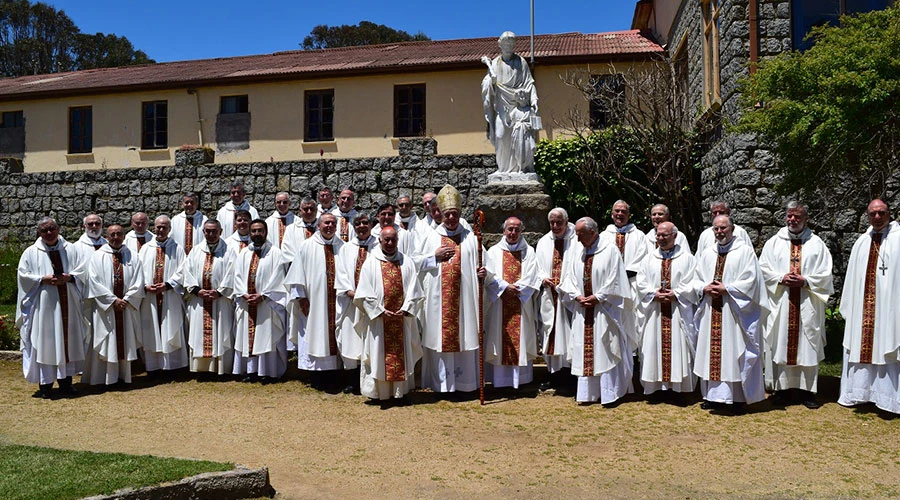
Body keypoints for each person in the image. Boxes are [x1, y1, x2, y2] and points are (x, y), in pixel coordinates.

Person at [759, 202, 834, 408]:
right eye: (789, 216)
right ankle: (781, 390)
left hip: (807, 301)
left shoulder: (817, 244)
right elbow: (762, 269)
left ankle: (807, 391)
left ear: (805, 219)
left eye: (797, 217)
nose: (792, 220)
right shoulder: (773, 243)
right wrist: (780, 277)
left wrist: (807, 281)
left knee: (807, 343)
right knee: (780, 341)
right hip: (781, 301)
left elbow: (826, 273)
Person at [693, 215, 766, 415]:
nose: (719, 232)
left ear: (732, 229)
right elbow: (696, 278)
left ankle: (736, 398)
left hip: (734, 312)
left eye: (723, 228)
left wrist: (728, 288)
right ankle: (712, 396)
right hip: (711, 310)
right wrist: (704, 288)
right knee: (711, 352)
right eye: (716, 229)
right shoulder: (707, 253)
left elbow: (751, 281)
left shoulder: (744, 252)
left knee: (732, 351)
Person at [558, 217, 633, 406]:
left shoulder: (610, 250)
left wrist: (598, 297)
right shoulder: (577, 251)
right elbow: (568, 278)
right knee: (584, 348)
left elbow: (616, 279)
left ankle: (610, 393)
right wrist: (576, 296)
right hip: (583, 310)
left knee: (606, 347)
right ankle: (587, 393)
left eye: (581, 235)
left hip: (604, 310)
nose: (577, 239)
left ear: (593, 233)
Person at [418, 184, 483, 394]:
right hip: (438, 302)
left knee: (465, 337)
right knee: (440, 338)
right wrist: (433, 257)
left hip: (464, 303)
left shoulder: (471, 238)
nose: (451, 218)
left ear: (460, 214)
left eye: (455, 214)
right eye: (447, 214)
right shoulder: (430, 237)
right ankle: (443, 386)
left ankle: (466, 385)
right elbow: (412, 263)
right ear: (440, 214)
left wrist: (484, 274)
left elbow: (485, 265)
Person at [838, 199, 900, 414]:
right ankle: (860, 393)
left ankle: (888, 399)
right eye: (873, 213)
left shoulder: (898, 240)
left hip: (889, 309)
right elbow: (852, 279)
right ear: (867, 215)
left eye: (881, 213)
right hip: (863, 308)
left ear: (889, 213)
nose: (877, 217)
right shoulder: (862, 242)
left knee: (887, 345)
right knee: (861, 344)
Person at [16, 217, 87, 398]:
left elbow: (83, 271)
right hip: (43, 308)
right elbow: (23, 276)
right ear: (39, 232)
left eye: (52, 229)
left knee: (68, 341)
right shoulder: (31, 252)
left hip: (69, 305)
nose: (49, 233)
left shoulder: (71, 249)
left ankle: (66, 384)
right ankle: (45, 385)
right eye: (44, 230)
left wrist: (70, 277)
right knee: (45, 342)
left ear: (58, 229)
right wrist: (41, 279)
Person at [354, 226, 425, 403]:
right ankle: (380, 393)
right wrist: (379, 311)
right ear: (379, 240)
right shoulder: (370, 263)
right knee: (378, 355)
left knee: (402, 354)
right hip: (379, 321)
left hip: (401, 320)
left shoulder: (406, 262)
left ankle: (400, 393)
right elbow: (364, 292)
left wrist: (407, 308)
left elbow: (414, 291)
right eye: (387, 240)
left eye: (394, 239)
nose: (390, 243)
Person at [635, 222, 699, 402]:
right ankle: (656, 388)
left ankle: (678, 389)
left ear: (675, 236)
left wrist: (676, 294)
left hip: (678, 311)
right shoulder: (649, 259)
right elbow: (641, 283)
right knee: (653, 346)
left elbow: (694, 282)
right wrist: (653, 293)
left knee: (678, 347)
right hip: (655, 311)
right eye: (658, 235)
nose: (661, 239)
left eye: (665, 235)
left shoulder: (687, 259)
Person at [284, 213, 348, 391]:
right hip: (313, 302)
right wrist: (301, 297)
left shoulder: (343, 247)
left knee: (335, 336)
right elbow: (296, 275)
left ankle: (335, 376)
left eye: (333, 223)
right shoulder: (306, 246)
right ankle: (317, 377)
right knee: (315, 335)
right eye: (326, 223)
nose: (329, 226)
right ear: (319, 226)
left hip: (337, 302)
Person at [482, 217, 540, 389]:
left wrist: (517, 289)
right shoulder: (493, 251)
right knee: (499, 339)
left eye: (516, 229)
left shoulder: (529, 252)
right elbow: (489, 275)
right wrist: (504, 287)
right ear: (504, 231)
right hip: (500, 303)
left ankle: (520, 381)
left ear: (521, 231)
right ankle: (500, 381)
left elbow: (533, 276)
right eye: (510, 229)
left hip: (521, 303)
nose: (513, 233)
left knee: (521, 337)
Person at [83, 224, 145, 386]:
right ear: (107, 236)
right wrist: (112, 300)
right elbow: (94, 281)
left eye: (119, 234)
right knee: (107, 340)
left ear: (124, 236)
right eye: (112, 235)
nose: (116, 237)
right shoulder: (98, 256)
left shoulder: (133, 256)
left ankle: (124, 377)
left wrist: (128, 299)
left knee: (124, 340)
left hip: (126, 307)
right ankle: (104, 378)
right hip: (107, 309)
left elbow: (139, 281)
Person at [232, 219, 288, 383]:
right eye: (254, 231)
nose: (257, 234)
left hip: (267, 303)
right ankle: (251, 371)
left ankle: (267, 371)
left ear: (266, 232)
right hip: (247, 303)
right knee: (247, 337)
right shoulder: (244, 253)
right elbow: (237, 276)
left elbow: (278, 277)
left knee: (267, 336)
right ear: (250, 233)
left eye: (260, 231)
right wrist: (244, 294)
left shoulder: (275, 253)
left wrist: (263, 295)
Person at [480, 31, 540, 176]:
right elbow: (487, 83)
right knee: (501, 136)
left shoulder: (521, 62)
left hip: (520, 105)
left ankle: (521, 168)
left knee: (521, 139)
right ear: (500, 44)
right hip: (502, 107)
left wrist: (534, 100)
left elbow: (529, 83)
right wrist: (491, 82)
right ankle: (503, 169)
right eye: (506, 43)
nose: (509, 46)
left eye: (511, 44)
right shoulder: (494, 63)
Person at [182, 220, 237, 376]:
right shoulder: (195, 251)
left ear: (220, 232)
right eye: (208, 231)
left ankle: (221, 368)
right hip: (199, 301)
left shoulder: (229, 251)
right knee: (198, 334)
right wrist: (198, 291)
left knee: (221, 332)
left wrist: (219, 292)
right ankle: (201, 368)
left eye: (214, 231)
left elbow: (232, 273)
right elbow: (188, 272)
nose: (211, 234)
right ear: (203, 232)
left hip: (220, 301)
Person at [137, 215, 188, 376]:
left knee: (171, 327)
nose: (160, 230)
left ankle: (172, 367)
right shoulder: (146, 248)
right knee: (151, 329)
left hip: (169, 295)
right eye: (158, 227)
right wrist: (145, 285)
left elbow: (183, 270)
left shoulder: (177, 248)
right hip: (150, 296)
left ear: (169, 229)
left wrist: (167, 285)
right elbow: (138, 270)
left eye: (164, 227)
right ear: (154, 227)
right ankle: (153, 367)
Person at [334, 212, 377, 393]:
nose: (361, 226)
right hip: (351, 304)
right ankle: (352, 380)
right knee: (351, 341)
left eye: (365, 223)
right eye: (357, 223)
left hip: (372, 304)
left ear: (370, 225)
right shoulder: (346, 248)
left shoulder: (378, 246)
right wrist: (351, 292)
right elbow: (341, 272)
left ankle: (370, 380)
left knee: (370, 341)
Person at [598, 200, 648, 354]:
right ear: (612, 214)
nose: (620, 214)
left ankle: (631, 359)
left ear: (629, 214)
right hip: (609, 289)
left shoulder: (639, 235)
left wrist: (622, 275)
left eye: (623, 212)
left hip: (631, 286)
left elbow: (642, 259)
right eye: (617, 211)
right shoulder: (603, 236)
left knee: (631, 321)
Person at [535, 207, 576, 391]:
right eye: (552, 222)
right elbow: (536, 268)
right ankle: (553, 375)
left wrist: (565, 285)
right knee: (549, 333)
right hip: (549, 296)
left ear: (566, 222)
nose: (555, 226)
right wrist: (543, 278)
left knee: (569, 335)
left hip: (568, 298)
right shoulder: (543, 242)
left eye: (559, 222)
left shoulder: (576, 241)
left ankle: (570, 376)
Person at [281, 196, 319, 264]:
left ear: (316, 210)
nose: (309, 212)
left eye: (312, 209)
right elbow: (287, 251)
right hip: (298, 268)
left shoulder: (323, 228)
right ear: (300, 211)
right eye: (306, 209)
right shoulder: (291, 229)